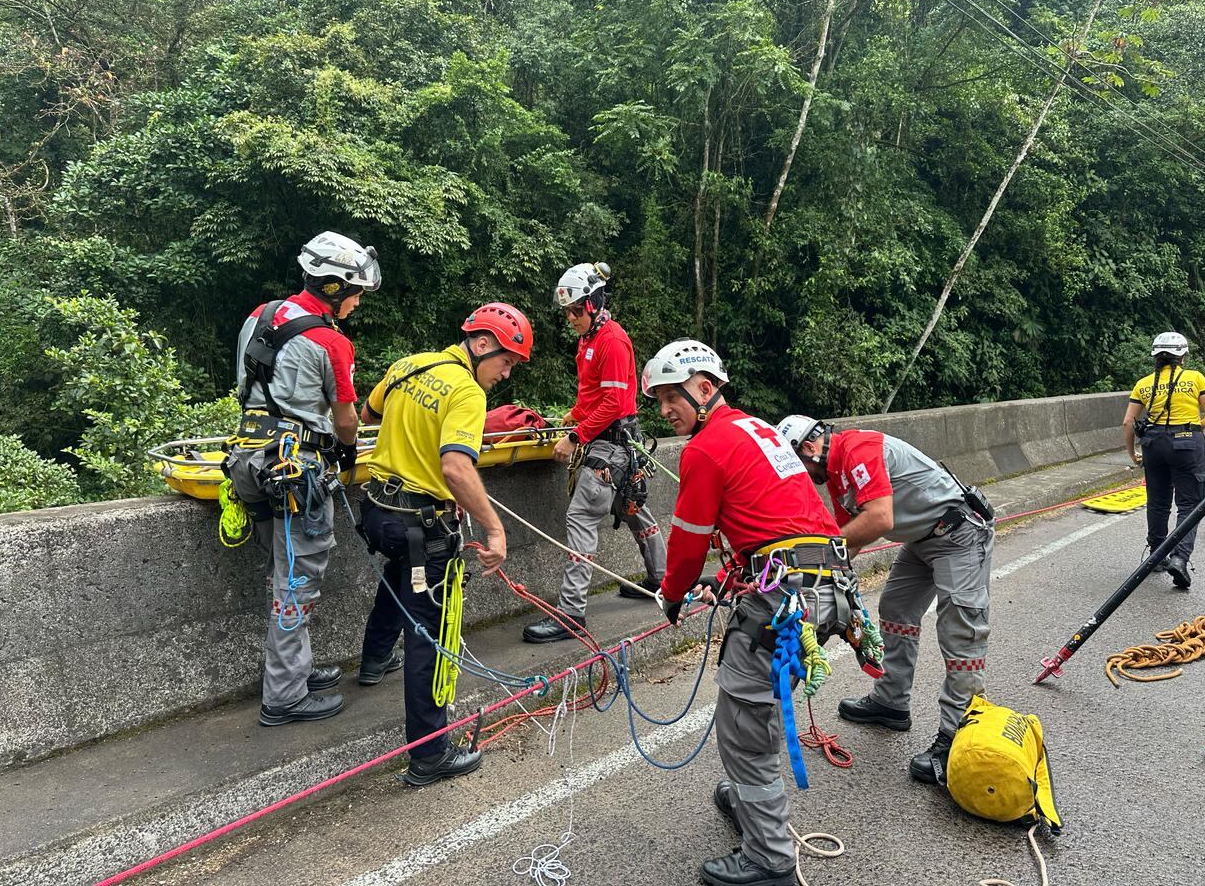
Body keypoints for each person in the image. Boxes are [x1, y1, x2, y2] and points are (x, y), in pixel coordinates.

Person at [646, 340, 853, 886]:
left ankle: (769, 859)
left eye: (672, 397)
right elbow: (774, 516)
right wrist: (731, 579)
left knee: (743, 726)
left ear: (705, 388)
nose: (665, 410)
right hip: (823, 585)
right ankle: (749, 803)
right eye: (660, 400)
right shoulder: (757, 430)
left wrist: (674, 593)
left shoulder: (705, 448)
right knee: (756, 710)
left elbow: (688, 539)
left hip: (783, 598)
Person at [357, 303, 532, 786]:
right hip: (420, 524)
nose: (506, 372)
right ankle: (429, 754)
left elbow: (367, 413)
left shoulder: (407, 365)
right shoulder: (467, 393)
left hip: (377, 512)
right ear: (481, 344)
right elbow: (456, 467)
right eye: (506, 360)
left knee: (398, 578)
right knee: (429, 637)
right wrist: (495, 529)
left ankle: (373, 660)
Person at [777, 414, 995, 786]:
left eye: (797, 464)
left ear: (809, 448)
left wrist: (817, 557)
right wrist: (816, 576)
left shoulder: (859, 449)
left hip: (958, 534)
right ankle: (892, 702)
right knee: (896, 608)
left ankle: (957, 737)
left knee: (961, 632)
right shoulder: (836, 475)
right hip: (924, 539)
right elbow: (851, 539)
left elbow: (878, 519)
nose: (802, 476)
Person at [226, 230, 380, 727]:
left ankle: (296, 669)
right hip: (296, 472)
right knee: (296, 581)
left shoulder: (262, 315)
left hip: (249, 460)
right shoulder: (330, 341)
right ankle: (285, 697)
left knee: (284, 573)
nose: (357, 302)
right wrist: (349, 451)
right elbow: (346, 419)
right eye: (354, 292)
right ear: (334, 287)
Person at [523, 262, 667, 644]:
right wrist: (569, 418)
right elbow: (592, 397)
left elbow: (616, 402)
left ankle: (571, 614)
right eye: (567, 312)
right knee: (634, 510)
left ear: (595, 302)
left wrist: (575, 435)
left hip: (611, 443)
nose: (570, 318)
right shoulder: (589, 340)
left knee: (582, 517)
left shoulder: (612, 340)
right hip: (608, 440)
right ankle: (663, 581)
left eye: (576, 310)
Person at [1122, 331, 1205, 589]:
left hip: (1153, 444)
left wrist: (1133, 453)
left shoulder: (1143, 384)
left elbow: (1128, 422)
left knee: (1158, 502)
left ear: (1155, 356)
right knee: (1190, 504)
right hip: (1187, 442)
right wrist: (1192, 429)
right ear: (1183, 357)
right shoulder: (1195, 378)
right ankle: (1179, 558)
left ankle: (1157, 555)